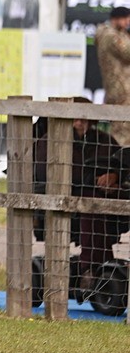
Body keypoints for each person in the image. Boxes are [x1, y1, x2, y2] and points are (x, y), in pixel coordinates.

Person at [32, 100, 129, 287]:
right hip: (67, 198)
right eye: (75, 119)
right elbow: (46, 174)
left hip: (107, 196)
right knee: (91, 201)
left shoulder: (104, 140)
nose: (80, 123)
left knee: (107, 199)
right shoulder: (50, 141)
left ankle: (101, 268)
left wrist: (114, 176)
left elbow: (121, 163)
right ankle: (90, 269)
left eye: (84, 119)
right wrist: (94, 180)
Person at [96, 5, 130, 146]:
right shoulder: (110, 36)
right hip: (121, 90)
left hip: (119, 89)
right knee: (122, 130)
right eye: (126, 19)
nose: (128, 22)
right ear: (117, 19)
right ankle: (120, 163)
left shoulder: (111, 34)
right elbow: (127, 53)